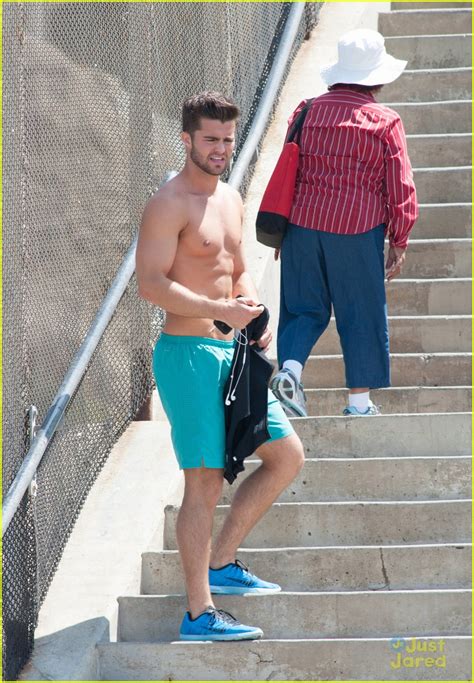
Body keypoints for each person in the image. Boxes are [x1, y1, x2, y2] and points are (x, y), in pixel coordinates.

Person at [136, 92, 305, 641]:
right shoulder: (169, 202)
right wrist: (218, 312)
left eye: (228, 140)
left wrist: (252, 311)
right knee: (204, 481)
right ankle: (198, 613)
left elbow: (235, 269)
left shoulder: (231, 199)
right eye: (210, 139)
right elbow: (150, 284)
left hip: (233, 353)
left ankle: (222, 561)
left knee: (285, 455)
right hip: (186, 357)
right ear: (186, 139)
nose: (221, 149)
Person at [269, 28, 419, 418]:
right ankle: (358, 403)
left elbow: (290, 169)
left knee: (303, 308)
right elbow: (400, 184)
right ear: (377, 76)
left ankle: (290, 372)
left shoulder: (306, 110)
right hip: (357, 229)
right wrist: (399, 237)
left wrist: (282, 233)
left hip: (301, 226)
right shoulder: (384, 122)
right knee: (361, 312)